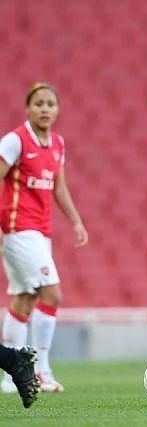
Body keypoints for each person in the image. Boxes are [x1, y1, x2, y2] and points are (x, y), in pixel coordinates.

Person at [0, 82, 89, 393]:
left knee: (24, 299)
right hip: (17, 229)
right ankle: (41, 369)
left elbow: (59, 187)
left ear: (58, 109)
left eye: (50, 104)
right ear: (27, 107)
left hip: (41, 231)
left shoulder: (57, 144)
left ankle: (10, 376)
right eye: (39, 103)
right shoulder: (15, 141)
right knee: (52, 294)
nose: (45, 109)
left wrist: (76, 221)